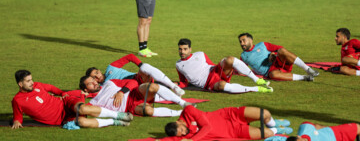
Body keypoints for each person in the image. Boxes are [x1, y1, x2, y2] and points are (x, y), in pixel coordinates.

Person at [11, 70, 132, 129]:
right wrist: (17, 121)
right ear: (20, 84)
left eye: (31, 79)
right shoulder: (17, 100)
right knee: (82, 123)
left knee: (82, 108)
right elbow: (18, 116)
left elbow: (52, 88)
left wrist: (63, 93)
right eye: (28, 81)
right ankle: (114, 121)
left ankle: (118, 115)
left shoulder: (37, 85)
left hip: (65, 102)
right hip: (61, 119)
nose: (32, 83)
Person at [176, 38, 273, 94]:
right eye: (180, 49)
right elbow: (184, 82)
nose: (182, 52)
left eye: (185, 49)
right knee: (222, 86)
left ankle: (257, 80)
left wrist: (225, 67)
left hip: (215, 71)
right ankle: (257, 89)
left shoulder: (200, 54)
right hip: (208, 83)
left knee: (229, 59)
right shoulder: (178, 65)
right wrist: (176, 85)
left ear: (190, 49)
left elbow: (212, 64)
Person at [80, 76, 194, 117]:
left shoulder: (109, 83)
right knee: (148, 111)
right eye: (90, 83)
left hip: (135, 92)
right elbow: (83, 109)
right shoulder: (93, 102)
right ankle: (181, 113)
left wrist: (121, 92)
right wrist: (81, 95)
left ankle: (183, 103)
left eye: (94, 80)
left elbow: (133, 82)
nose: (95, 83)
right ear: (85, 89)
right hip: (129, 108)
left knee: (152, 86)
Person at [159, 105, 292, 140]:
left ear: (178, 121)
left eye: (181, 129)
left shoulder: (188, 110)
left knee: (265, 114)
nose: (184, 133)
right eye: (181, 134)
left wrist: (192, 140)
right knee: (267, 134)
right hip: (233, 132)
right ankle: (277, 130)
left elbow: (207, 126)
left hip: (229, 115)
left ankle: (273, 123)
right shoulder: (183, 136)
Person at [85, 54, 185, 96]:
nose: (98, 76)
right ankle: (173, 87)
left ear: (99, 70)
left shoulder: (111, 68)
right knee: (160, 87)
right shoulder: (101, 87)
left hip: (140, 78)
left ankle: (173, 87)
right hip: (135, 89)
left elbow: (130, 57)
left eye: (97, 73)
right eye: (94, 77)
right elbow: (87, 92)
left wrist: (141, 67)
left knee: (145, 67)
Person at [238, 33, 319, 81]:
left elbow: (279, 48)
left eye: (243, 40)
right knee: (273, 75)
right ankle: (304, 77)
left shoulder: (262, 45)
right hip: (271, 72)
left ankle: (308, 69)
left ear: (251, 40)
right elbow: (242, 68)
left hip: (279, 62)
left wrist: (272, 54)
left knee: (282, 51)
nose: (242, 43)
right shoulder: (243, 56)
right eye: (240, 41)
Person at [285, 121, 360, 141]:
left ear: (298, 137)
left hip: (335, 133)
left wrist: (321, 128)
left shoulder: (305, 131)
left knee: (357, 127)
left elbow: (306, 124)